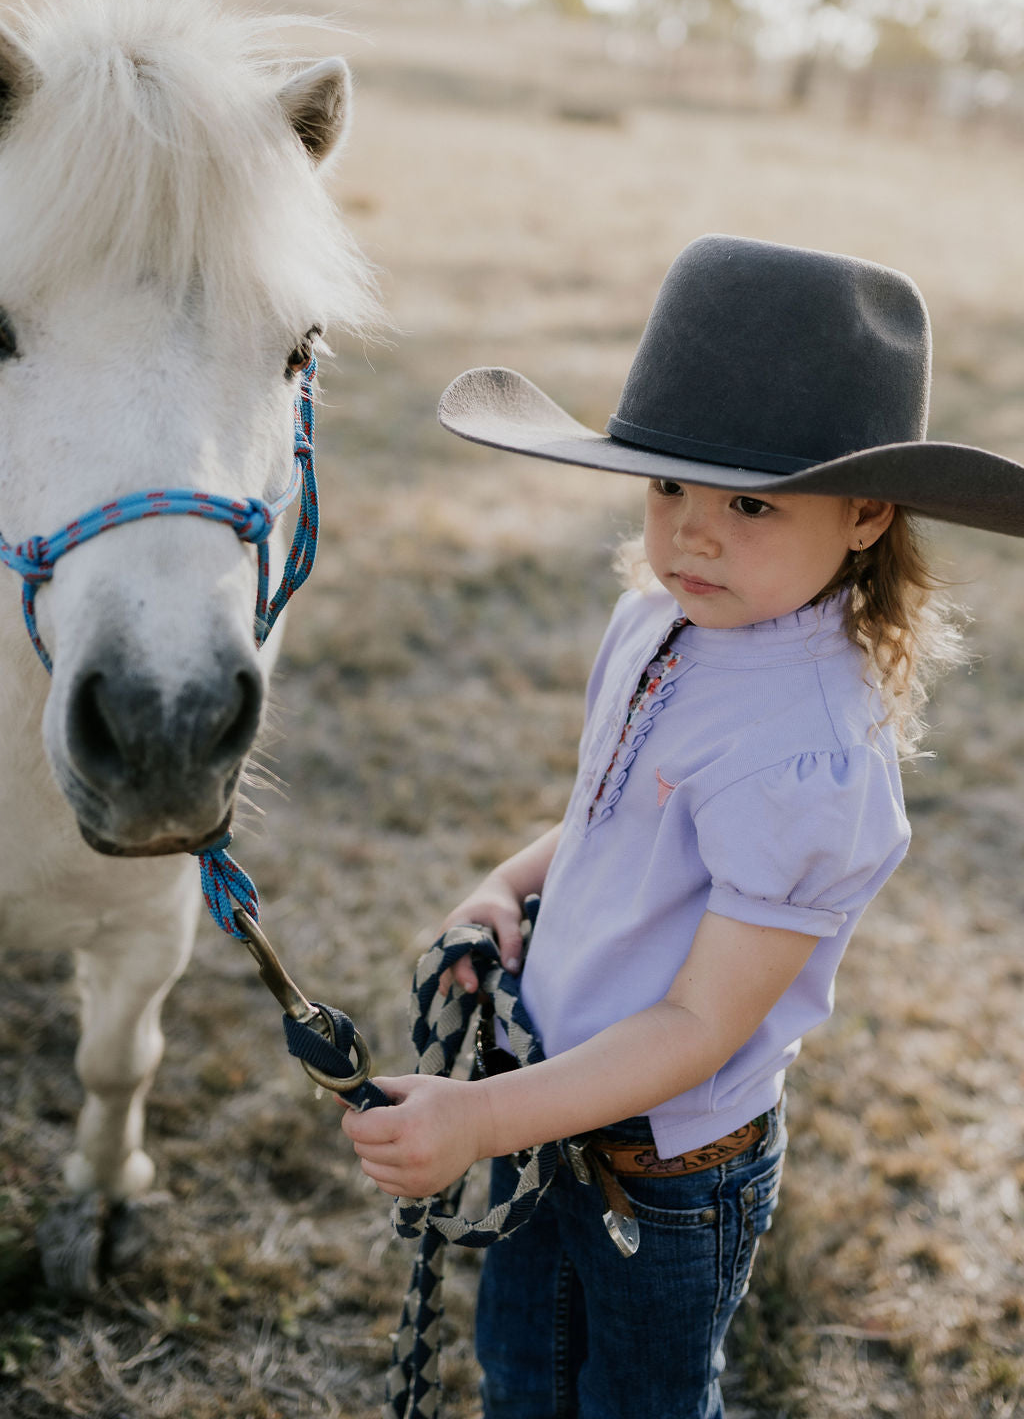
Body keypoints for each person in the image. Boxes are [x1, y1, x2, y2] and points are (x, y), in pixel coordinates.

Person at [341, 235, 1024, 1418]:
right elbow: (601, 818)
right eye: (666, 486)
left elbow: (702, 1024)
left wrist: (479, 1118)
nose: (692, 535)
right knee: (520, 1375)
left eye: (750, 503)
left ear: (865, 513)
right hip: (549, 1090)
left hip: (666, 1171)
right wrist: (506, 891)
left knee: (639, 1403)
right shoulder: (656, 622)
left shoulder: (808, 752)